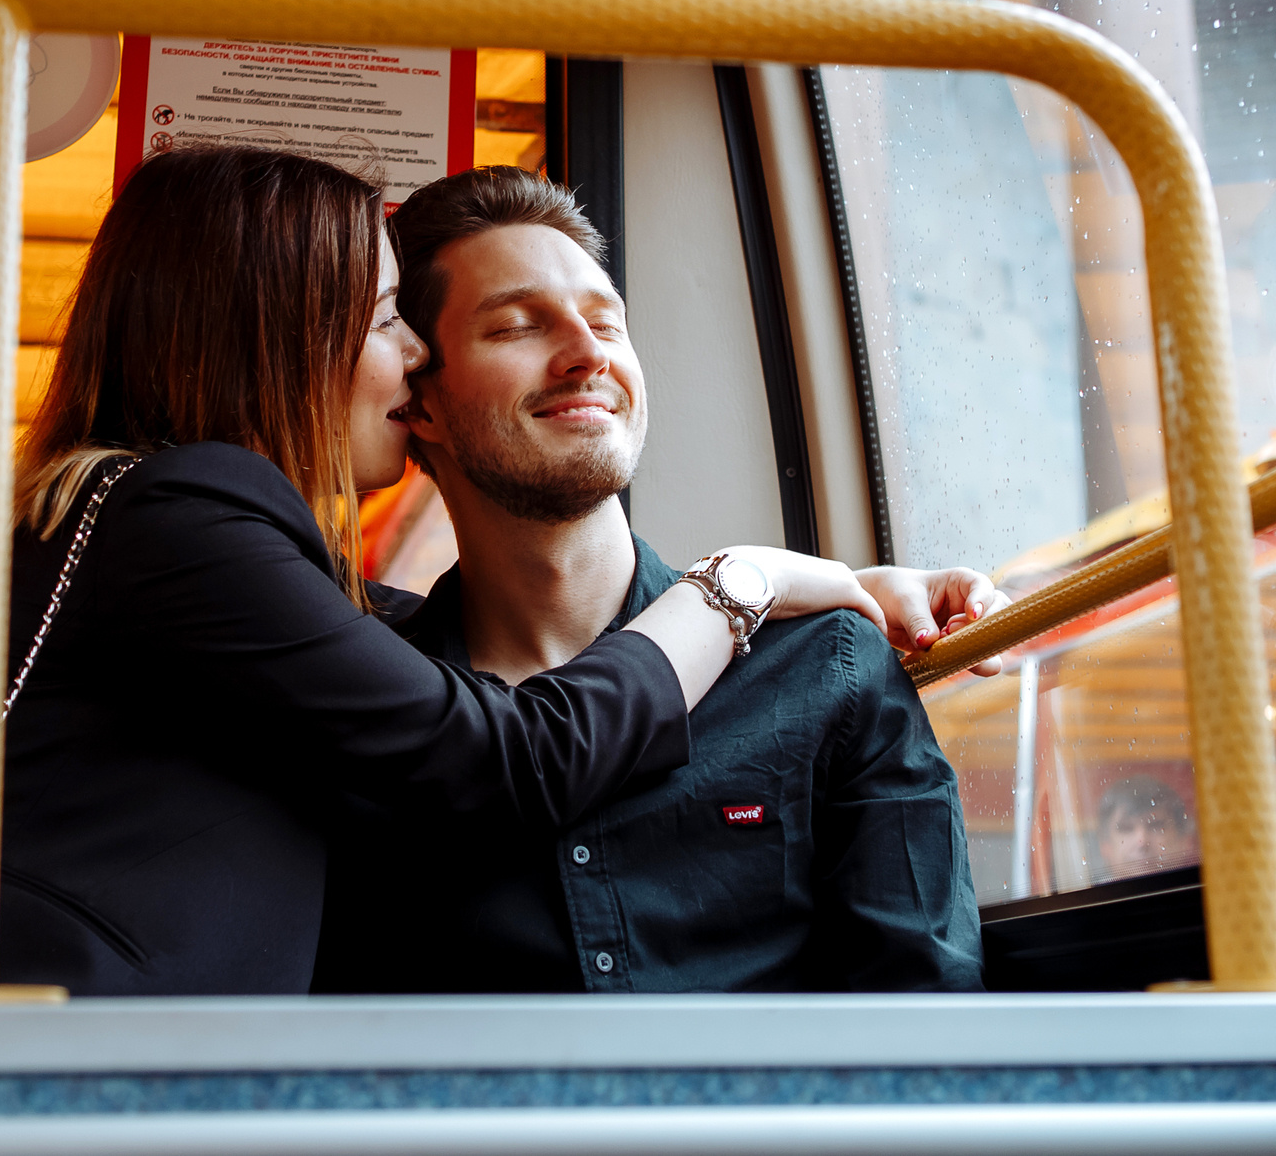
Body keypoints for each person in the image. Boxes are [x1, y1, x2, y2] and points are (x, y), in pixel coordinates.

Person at [0, 145, 908, 1001]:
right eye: (391, 322)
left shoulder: (176, 541)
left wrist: (844, 589)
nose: (409, 361)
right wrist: (735, 587)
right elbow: (505, 757)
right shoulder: (179, 510)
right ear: (282, 332)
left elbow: (398, 644)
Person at [311, 167, 994, 994]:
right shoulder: (358, 704)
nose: (588, 352)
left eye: (607, 322)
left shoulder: (830, 665)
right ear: (420, 404)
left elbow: (922, 1021)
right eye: (519, 327)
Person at [1095, 776, 1195, 881]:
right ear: (1105, 846)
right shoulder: (1092, 896)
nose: (1142, 842)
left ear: (1185, 840)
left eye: (1155, 826)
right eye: (1126, 828)